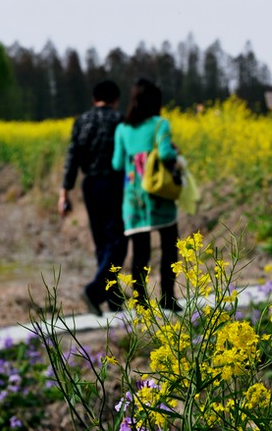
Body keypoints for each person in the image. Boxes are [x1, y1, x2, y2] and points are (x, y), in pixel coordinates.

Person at [112, 78, 182, 312]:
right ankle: (167, 297)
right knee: (169, 247)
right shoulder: (160, 124)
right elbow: (165, 155)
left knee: (140, 251)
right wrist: (174, 151)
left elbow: (117, 163)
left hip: (133, 197)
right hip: (158, 195)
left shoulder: (122, 128)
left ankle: (140, 300)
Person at [60, 79, 128, 316]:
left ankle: (114, 299)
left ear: (94, 99)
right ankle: (95, 290)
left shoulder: (82, 120)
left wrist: (64, 192)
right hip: (116, 184)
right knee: (118, 242)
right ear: (116, 99)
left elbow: (72, 157)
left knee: (102, 242)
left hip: (90, 185)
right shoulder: (120, 121)